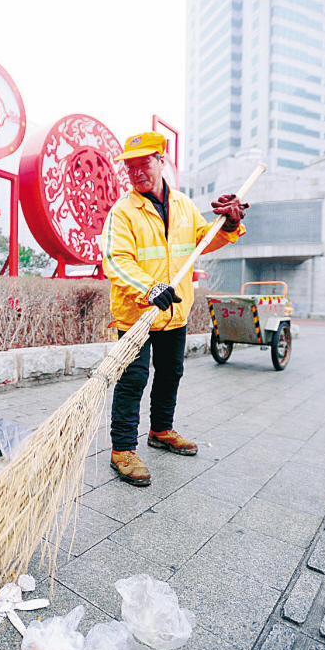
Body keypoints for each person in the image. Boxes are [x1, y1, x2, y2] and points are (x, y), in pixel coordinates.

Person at [101, 132, 247, 486]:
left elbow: (203, 241)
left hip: (174, 313)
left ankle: (161, 430)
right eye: (130, 167)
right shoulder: (123, 212)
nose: (137, 172)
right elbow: (115, 261)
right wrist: (149, 288)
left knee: (171, 373)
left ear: (161, 162)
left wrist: (228, 224)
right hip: (137, 314)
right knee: (132, 380)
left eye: (144, 164)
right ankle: (122, 449)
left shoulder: (182, 205)